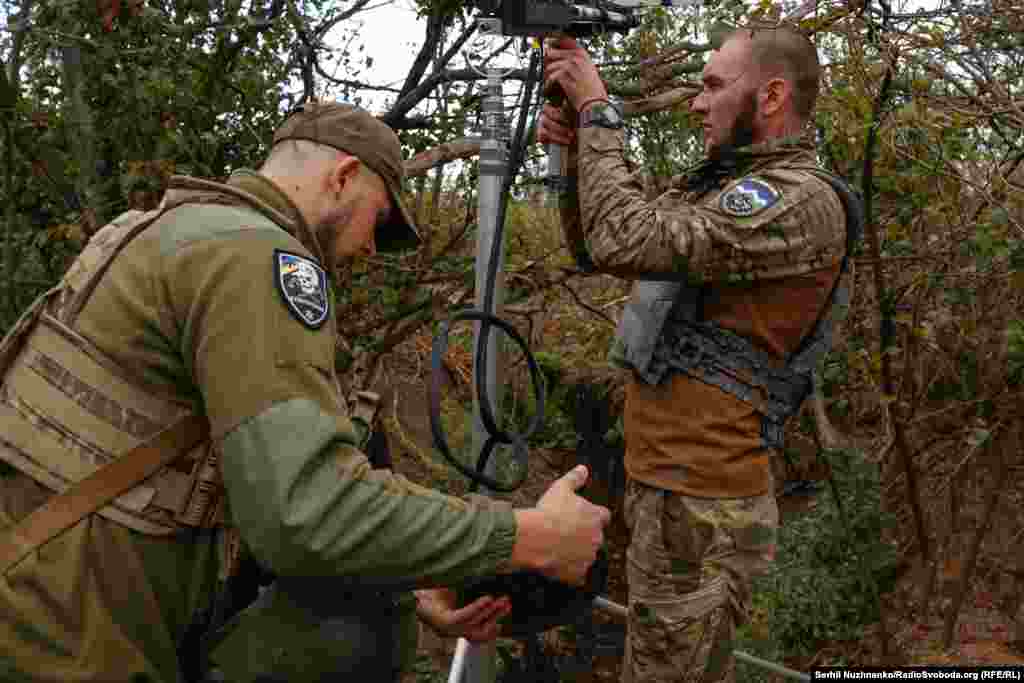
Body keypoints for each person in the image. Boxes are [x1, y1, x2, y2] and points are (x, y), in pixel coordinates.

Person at [0, 101, 610, 683]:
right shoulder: (256, 256)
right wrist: (522, 536)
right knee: (353, 628)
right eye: (380, 220)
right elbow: (304, 511)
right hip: (76, 630)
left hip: (41, 586)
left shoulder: (164, 227)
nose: (371, 248)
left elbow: (226, 477)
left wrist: (415, 579)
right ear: (343, 177)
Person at [540, 27, 856, 682]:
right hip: (668, 489)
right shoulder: (722, 185)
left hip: (703, 505)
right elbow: (599, 244)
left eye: (713, 85)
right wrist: (573, 155)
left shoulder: (796, 199)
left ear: (772, 96)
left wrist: (599, 110)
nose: (696, 102)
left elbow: (627, 237)